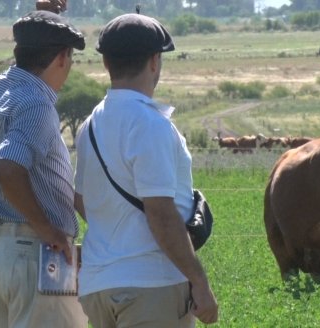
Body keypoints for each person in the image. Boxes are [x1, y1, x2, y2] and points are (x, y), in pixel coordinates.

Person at [74, 13, 219, 327]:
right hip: (152, 285)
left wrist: (119, 234)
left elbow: (81, 199)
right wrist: (199, 280)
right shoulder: (151, 125)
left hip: (98, 284)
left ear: (106, 63)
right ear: (155, 61)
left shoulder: (90, 127)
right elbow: (161, 213)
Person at [0, 3, 88, 327]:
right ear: (63, 57)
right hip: (38, 255)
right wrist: (48, 230)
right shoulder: (38, 105)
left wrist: (47, 19)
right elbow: (8, 167)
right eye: (70, 59)